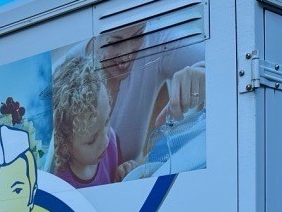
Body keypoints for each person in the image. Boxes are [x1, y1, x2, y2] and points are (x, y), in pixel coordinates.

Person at [86, 21, 206, 166]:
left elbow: (222, 58)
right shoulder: (66, 70)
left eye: (138, 35)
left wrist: (202, 72)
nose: (127, 54)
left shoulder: (158, 42)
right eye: (115, 42)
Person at [51, 53, 123, 188]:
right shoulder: (59, 182)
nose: (105, 141)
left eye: (106, 121)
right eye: (91, 140)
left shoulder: (112, 140)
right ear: (64, 144)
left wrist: (123, 174)